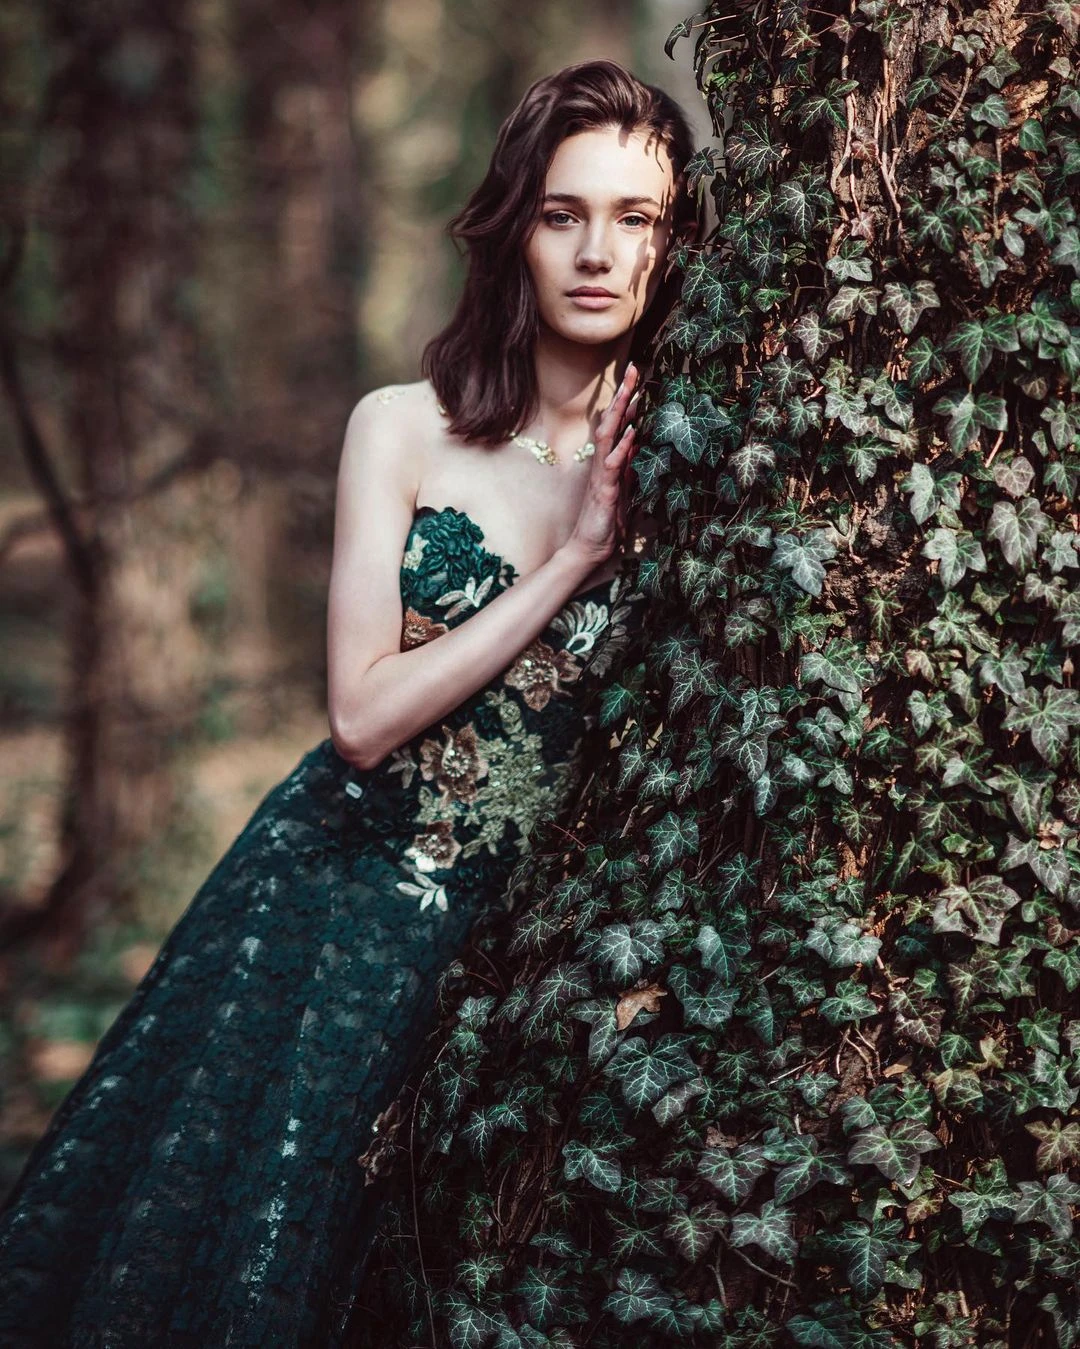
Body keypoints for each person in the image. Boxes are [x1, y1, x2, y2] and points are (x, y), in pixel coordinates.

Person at [0, 58, 697, 1347]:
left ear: (677, 242)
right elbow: (363, 717)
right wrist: (571, 564)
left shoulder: (701, 451)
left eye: (638, 218)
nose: (599, 253)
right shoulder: (403, 428)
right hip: (334, 902)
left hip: (528, 960)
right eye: (563, 214)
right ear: (513, 231)